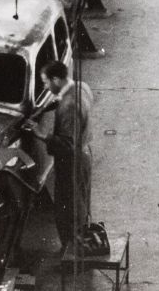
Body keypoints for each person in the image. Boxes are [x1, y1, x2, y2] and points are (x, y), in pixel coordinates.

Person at [38, 61, 95, 251]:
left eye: (46, 82)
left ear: (56, 79)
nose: (45, 87)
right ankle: (78, 248)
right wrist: (57, 103)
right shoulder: (82, 87)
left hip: (71, 162)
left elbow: (67, 144)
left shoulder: (68, 105)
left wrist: (42, 135)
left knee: (68, 209)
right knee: (81, 202)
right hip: (84, 153)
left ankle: (71, 254)